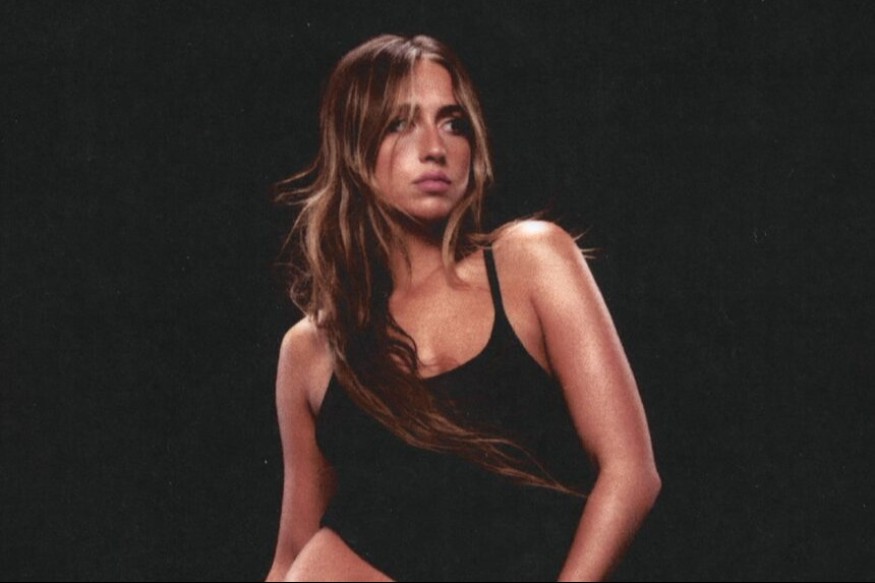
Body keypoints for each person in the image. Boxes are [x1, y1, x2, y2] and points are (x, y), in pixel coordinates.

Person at [265, 34, 660, 582]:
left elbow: (631, 474)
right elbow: (292, 554)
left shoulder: (530, 262)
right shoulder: (312, 348)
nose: (436, 147)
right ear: (354, 146)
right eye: (400, 123)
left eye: (453, 123)